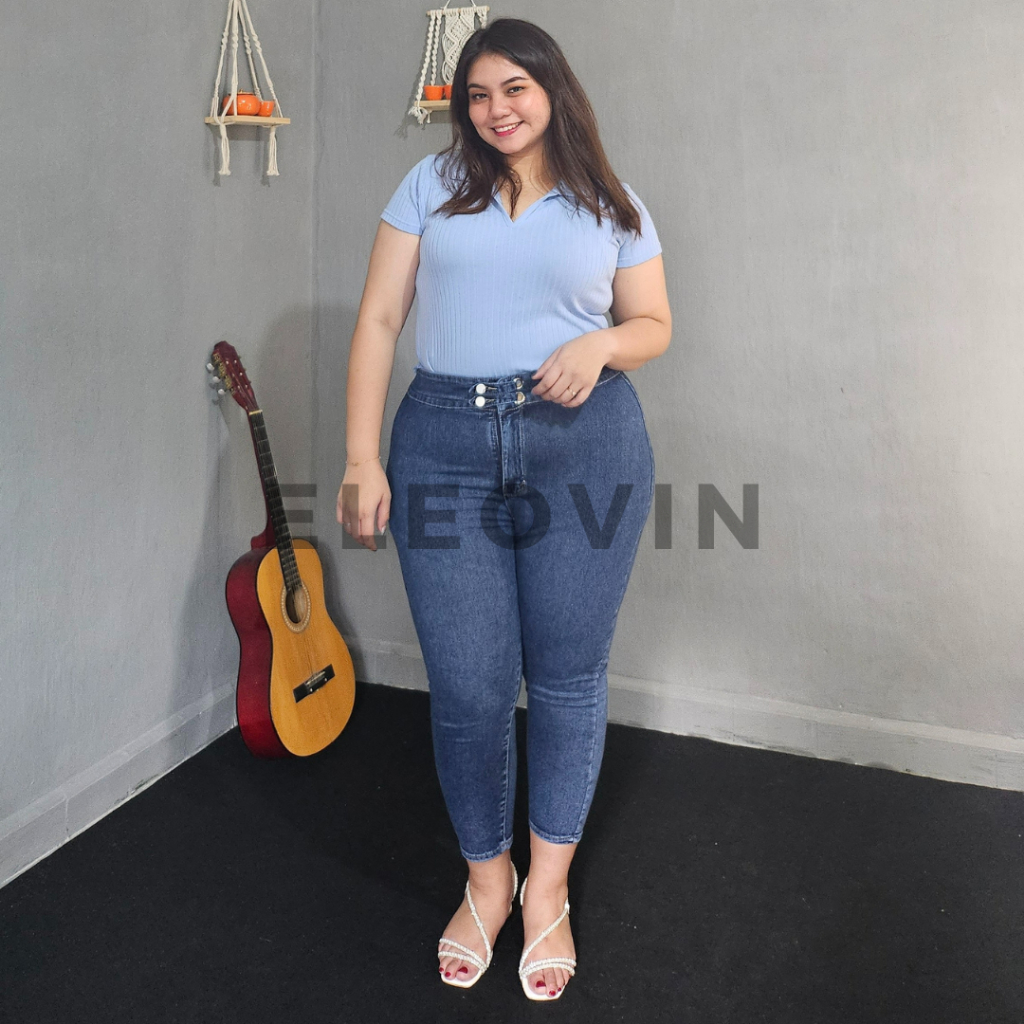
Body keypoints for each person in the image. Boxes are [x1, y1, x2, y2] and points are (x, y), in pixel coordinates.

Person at [336, 17, 671, 1002]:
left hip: (584, 445)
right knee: (470, 686)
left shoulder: (611, 203)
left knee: (565, 677)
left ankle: (547, 890)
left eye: (514, 89)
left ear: (552, 90)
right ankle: (487, 883)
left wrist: (599, 345)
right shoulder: (429, 187)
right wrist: (360, 456)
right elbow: (380, 319)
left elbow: (653, 323)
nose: (497, 110)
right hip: (442, 447)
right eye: (478, 95)